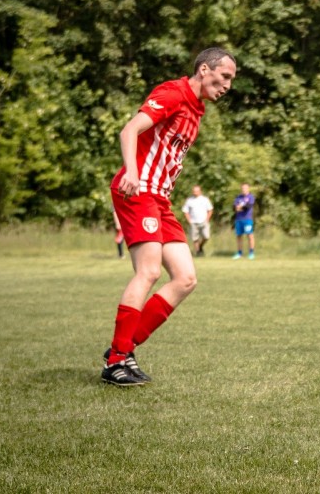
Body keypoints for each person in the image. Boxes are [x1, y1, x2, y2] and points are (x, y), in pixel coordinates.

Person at [103, 47, 237, 386]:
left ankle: (123, 349)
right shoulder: (173, 93)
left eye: (231, 80)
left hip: (160, 200)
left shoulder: (197, 108)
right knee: (147, 271)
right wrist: (132, 172)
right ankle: (117, 360)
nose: (228, 85)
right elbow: (129, 131)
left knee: (185, 278)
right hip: (138, 191)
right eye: (225, 77)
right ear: (205, 70)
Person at [182, 185, 214, 257]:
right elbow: (185, 211)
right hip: (193, 221)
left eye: (196, 191)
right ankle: (198, 252)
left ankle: (200, 246)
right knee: (195, 238)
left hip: (203, 221)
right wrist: (189, 220)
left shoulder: (205, 199)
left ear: (200, 191)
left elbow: (210, 210)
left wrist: (207, 219)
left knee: (206, 236)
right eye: (194, 191)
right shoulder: (189, 200)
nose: (195, 193)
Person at [232, 183, 255, 260]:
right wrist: (238, 208)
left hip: (247, 219)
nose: (244, 190)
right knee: (239, 236)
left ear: (248, 189)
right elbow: (234, 207)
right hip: (238, 219)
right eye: (242, 188)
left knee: (249, 235)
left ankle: (251, 253)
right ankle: (239, 253)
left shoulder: (251, 197)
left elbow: (248, 207)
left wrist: (240, 207)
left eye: (245, 188)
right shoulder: (238, 197)